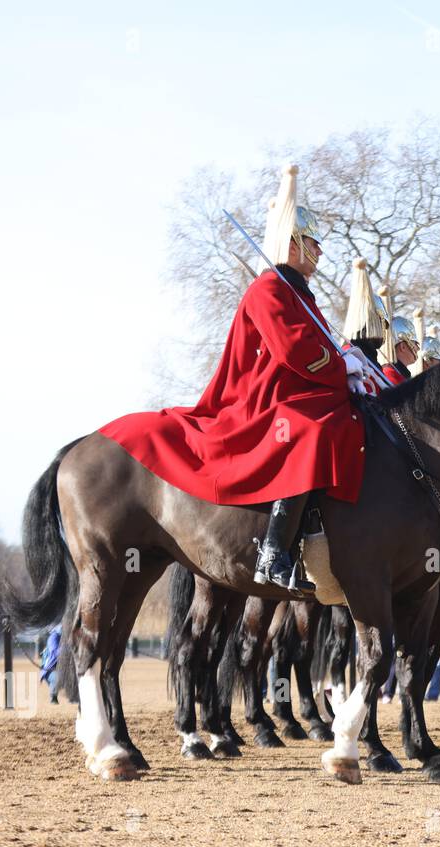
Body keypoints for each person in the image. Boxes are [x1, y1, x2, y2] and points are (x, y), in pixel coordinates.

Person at [98, 164, 369, 594]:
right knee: (311, 432)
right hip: (264, 402)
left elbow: (317, 345)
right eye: (314, 242)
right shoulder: (269, 291)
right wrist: (340, 367)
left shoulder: (300, 295)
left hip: (294, 393)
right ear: (294, 244)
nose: (320, 250)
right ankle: (274, 554)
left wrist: (348, 362)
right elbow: (294, 349)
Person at [39, 624, 62, 705]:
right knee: (57, 677)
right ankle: (53, 697)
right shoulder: (53, 637)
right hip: (49, 670)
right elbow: (55, 652)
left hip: (62, 668)